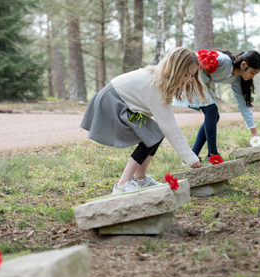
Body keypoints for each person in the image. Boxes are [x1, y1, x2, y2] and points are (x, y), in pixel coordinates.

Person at [80, 47, 205, 194]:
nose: (189, 80)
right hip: (111, 102)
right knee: (152, 135)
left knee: (155, 133)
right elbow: (170, 126)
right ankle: (122, 185)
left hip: (119, 102)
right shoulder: (156, 85)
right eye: (185, 74)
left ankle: (140, 178)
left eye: (192, 75)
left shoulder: (160, 79)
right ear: (174, 70)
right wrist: (190, 158)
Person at [172, 49, 260, 161]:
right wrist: (205, 78)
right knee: (211, 111)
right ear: (244, 65)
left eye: (256, 74)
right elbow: (194, 59)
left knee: (214, 116)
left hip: (201, 84)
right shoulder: (223, 61)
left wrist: (254, 131)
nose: (253, 77)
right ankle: (212, 153)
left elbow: (242, 104)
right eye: (252, 73)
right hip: (191, 80)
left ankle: (192, 155)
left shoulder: (236, 79)